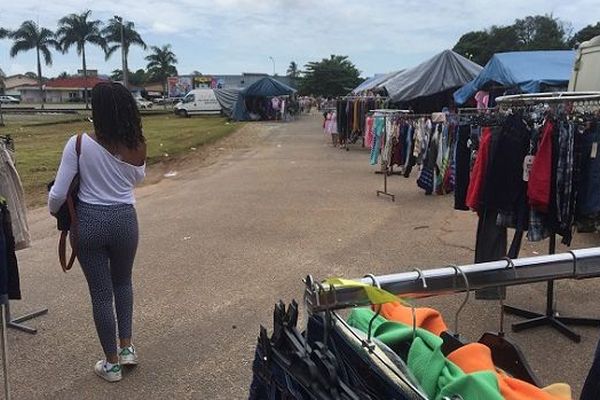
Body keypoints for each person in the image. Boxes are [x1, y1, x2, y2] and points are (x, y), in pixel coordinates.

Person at [48, 82, 146, 382]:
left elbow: (58, 195)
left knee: (101, 295)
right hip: (125, 221)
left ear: (97, 111)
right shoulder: (138, 145)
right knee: (123, 284)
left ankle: (111, 364)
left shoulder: (77, 144)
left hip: (89, 222)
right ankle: (127, 348)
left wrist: (57, 213)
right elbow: (136, 181)